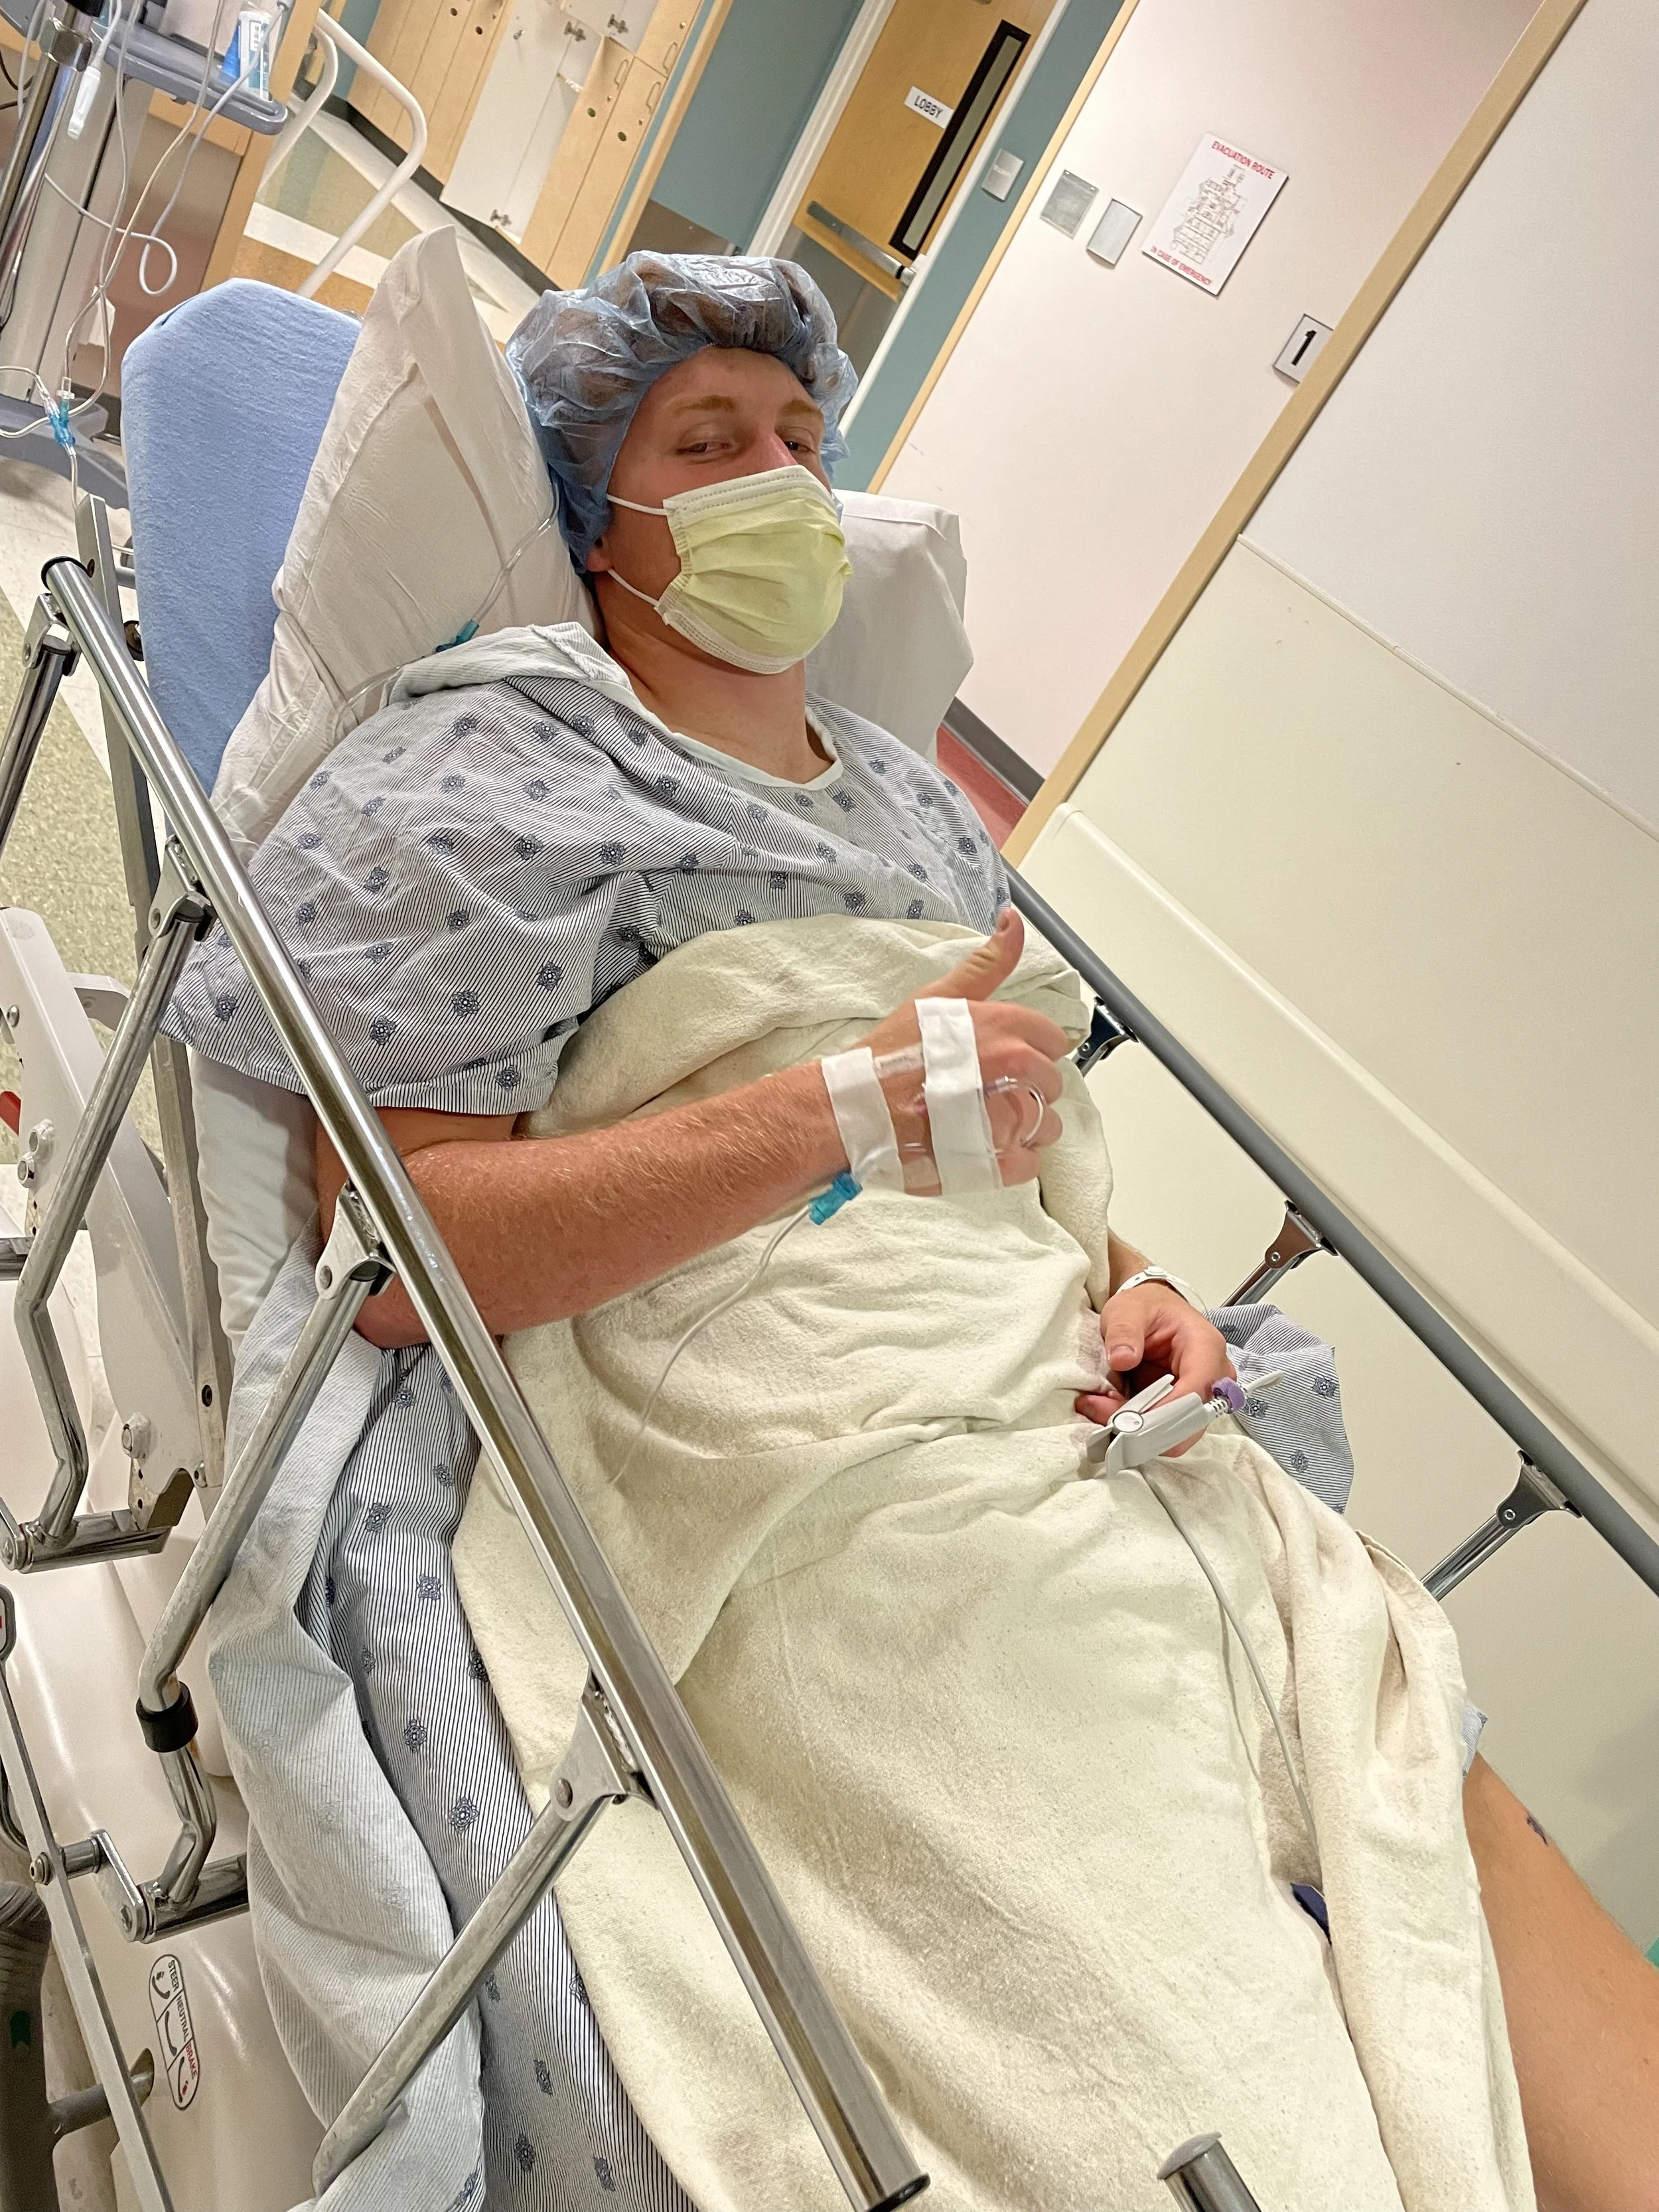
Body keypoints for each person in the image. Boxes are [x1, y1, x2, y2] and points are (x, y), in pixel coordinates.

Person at [167, 254, 1658, 2212]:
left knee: (1407, 1757)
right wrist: (837, 1107)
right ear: (596, 514)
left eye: (800, 437)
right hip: (787, 1414)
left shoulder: (911, 805)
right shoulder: (491, 762)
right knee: (1168, 1967)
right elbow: (400, 1257)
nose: (778, 479)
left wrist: (1139, 1293)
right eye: (707, 442)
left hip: (1049, 1376)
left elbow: (1025, 1131)